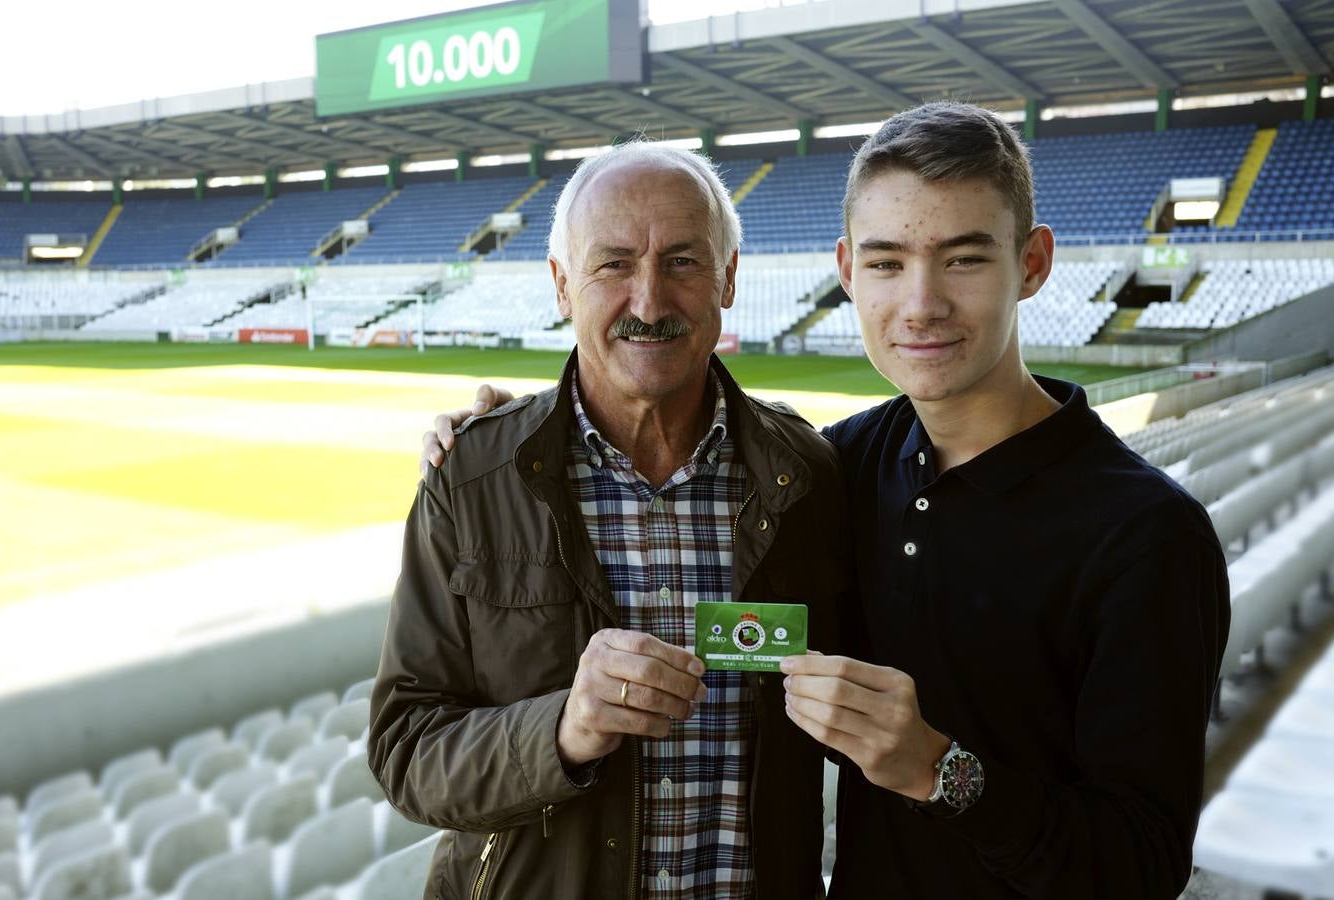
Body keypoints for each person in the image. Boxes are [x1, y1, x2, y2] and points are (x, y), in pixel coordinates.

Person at [421, 101, 1230, 899]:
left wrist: (937, 770)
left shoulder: (1147, 534)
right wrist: (518, 430)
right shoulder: (830, 469)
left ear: (1032, 262)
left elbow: (1142, 864)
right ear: (846, 271)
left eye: (963, 258)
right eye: (886, 262)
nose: (919, 303)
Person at [369, 141, 854, 899]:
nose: (649, 301)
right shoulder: (470, 480)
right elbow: (406, 751)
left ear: (728, 278)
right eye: (613, 264)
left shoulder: (808, 477)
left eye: (683, 262)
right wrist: (563, 729)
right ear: (562, 285)